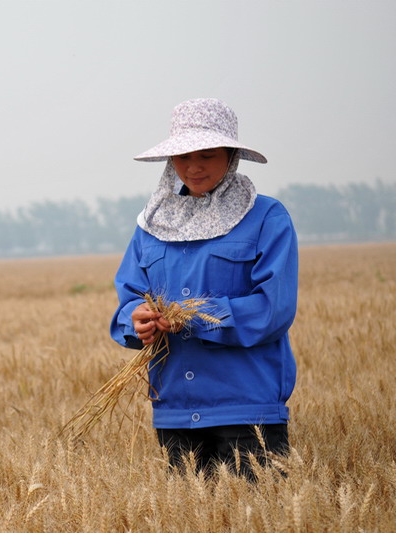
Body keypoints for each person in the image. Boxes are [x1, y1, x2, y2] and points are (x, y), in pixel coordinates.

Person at [110, 98, 298, 479]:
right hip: (174, 411)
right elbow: (129, 298)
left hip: (247, 410)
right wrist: (136, 320)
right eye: (183, 157)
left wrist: (194, 317)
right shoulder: (152, 225)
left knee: (257, 510)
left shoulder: (266, 218)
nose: (193, 167)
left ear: (231, 155)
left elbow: (272, 309)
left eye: (207, 155)